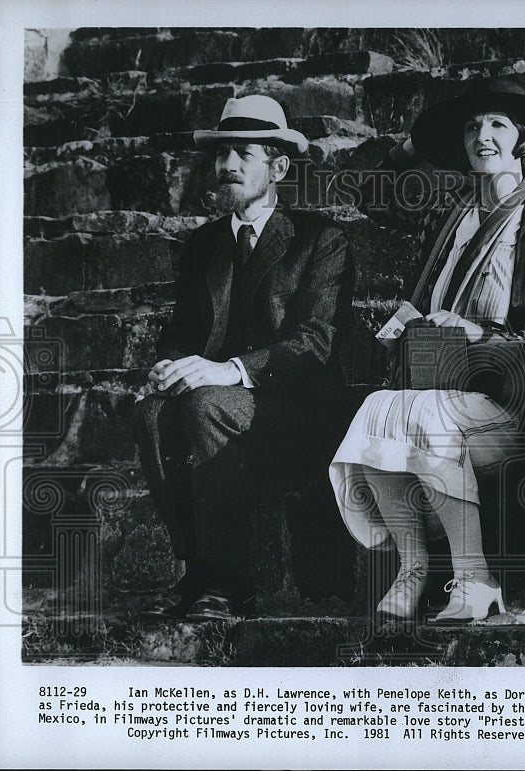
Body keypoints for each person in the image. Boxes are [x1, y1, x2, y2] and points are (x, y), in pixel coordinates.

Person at [330, 78, 525, 625]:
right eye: (471, 126)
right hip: (435, 382)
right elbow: (366, 194)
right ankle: (415, 566)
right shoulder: (447, 216)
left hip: (510, 399)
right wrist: (409, 148)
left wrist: (479, 335)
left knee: (423, 414)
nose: (482, 135)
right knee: (374, 410)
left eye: (497, 124)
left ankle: (474, 578)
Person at [133, 95, 352, 621]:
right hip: (215, 406)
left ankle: (230, 585)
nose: (226, 167)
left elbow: (315, 343)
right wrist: (171, 365)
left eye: (243, 155)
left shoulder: (320, 240)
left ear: (277, 168)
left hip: (298, 415)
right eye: (221, 156)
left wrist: (230, 371)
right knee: (149, 412)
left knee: (206, 402)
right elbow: (180, 333)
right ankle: (199, 572)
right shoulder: (204, 245)